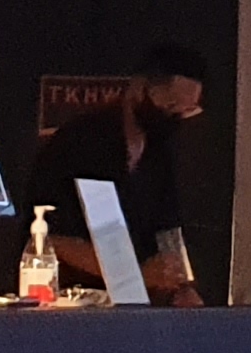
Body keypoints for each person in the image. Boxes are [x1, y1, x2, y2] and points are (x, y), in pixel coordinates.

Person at [32, 41, 210, 306]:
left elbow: (168, 230)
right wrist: (137, 275)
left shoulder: (159, 149)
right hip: (73, 300)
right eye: (170, 105)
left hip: (135, 302)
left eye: (185, 112)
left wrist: (183, 286)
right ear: (139, 88)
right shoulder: (82, 141)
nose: (174, 118)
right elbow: (56, 237)